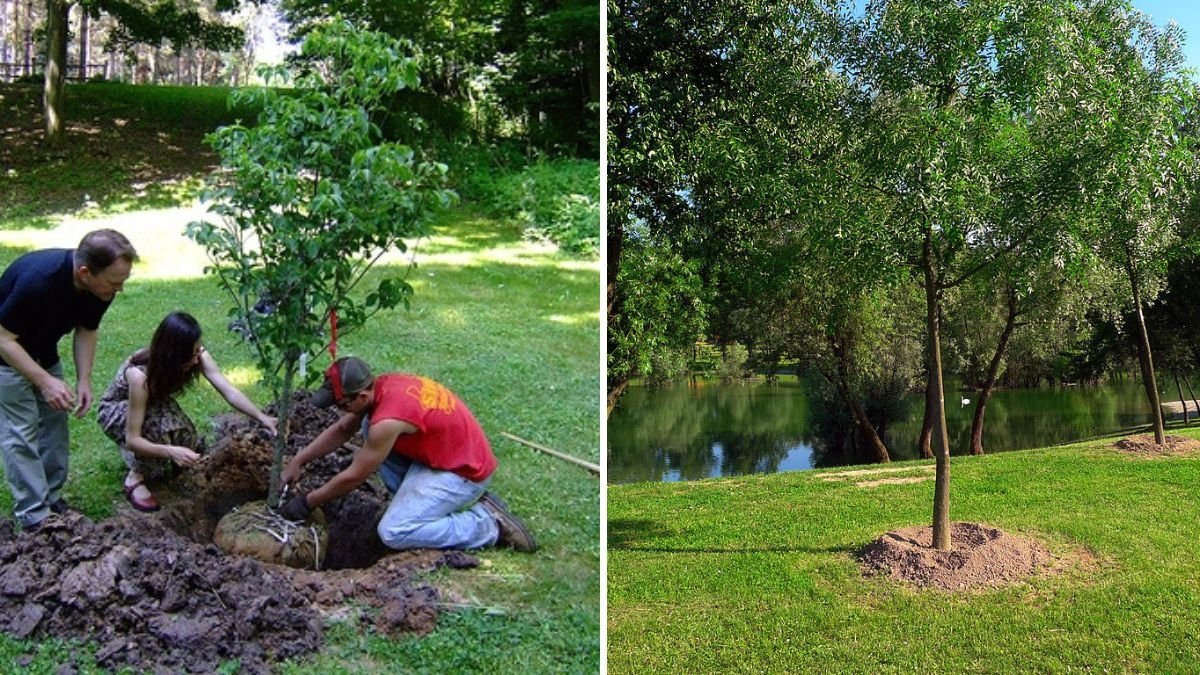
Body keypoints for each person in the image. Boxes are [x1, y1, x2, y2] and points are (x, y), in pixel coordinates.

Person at [279, 356, 537, 553]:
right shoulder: (383, 387)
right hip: (445, 456)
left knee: (394, 532)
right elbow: (343, 428)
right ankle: (419, 509)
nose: (339, 409)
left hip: (464, 473)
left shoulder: (388, 420)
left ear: (361, 394)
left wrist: (307, 502)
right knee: (368, 425)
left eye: (342, 404)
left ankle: (488, 523)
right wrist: (298, 460)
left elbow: (354, 477)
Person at [0, 229, 137, 531]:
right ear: (85, 272)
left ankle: (51, 497)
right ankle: (34, 516)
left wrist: (83, 380)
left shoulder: (100, 288)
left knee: (54, 426)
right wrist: (46, 382)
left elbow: (87, 329)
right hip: (5, 359)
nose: (119, 290)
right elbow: (3, 339)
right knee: (21, 432)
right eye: (115, 283)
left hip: (43, 351)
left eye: (123, 281)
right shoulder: (38, 281)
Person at [96, 312, 277, 512]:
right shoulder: (139, 375)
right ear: (173, 355)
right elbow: (133, 439)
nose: (197, 357)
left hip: (155, 403)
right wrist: (170, 451)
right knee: (158, 431)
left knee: (185, 436)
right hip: (117, 410)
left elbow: (228, 391)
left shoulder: (197, 355)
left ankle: (165, 456)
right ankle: (135, 476)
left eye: (198, 349)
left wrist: (262, 417)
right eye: (192, 354)